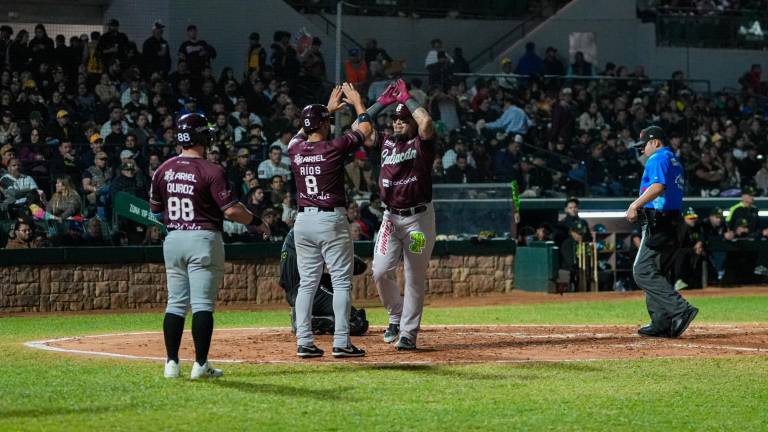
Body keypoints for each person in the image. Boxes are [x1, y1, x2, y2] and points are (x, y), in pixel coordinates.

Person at [150, 113, 269, 380]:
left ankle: (171, 364)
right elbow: (231, 211)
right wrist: (257, 222)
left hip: (173, 239)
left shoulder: (163, 169)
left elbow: (156, 212)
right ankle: (200, 365)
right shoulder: (212, 170)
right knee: (202, 304)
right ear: (202, 136)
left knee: (175, 304)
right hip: (203, 238)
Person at [287, 83, 372, 358]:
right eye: (328, 121)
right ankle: (341, 341)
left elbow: (296, 137)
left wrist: (325, 110)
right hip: (330, 219)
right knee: (342, 281)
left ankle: (304, 341)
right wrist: (359, 104)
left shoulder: (296, 149)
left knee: (308, 283)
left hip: (303, 222)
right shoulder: (333, 147)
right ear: (324, 124)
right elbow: (366, 130)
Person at [362, 79, 436, 350]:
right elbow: (360, 129)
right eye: (394, 119)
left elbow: (427, 123)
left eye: (403, 119)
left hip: (419, 221)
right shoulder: (384, 143)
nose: (397, 122)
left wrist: (407, 99)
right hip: (390, 219)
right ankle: (395, 315)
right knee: (380, 271)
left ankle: (408, 333)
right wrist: (382, 103)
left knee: (414, 276)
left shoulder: (422, 145)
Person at [625, 125, 698, 338]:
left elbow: (658, 187)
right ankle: (661, 322)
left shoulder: (657, 158)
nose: (641, 150)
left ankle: (680, 309)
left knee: (642, 271)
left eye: (643, 145)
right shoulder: (673, 159)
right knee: (656, 271)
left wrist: (634, 205)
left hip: (659, 220)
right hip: (673, 220)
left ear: (655, 142)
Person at [279, 228, 369, 336]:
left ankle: (304, 315)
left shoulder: (298, 230)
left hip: (298, 291)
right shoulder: (310, 231)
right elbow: (354, 265)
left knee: (334, 282)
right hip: (306, 290)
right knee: (357, 322)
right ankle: (306, 322)